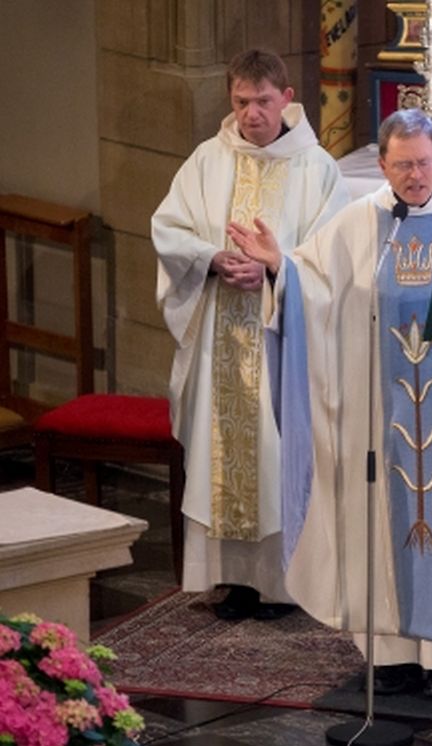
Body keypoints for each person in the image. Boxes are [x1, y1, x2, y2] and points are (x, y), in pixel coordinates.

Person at [227, 108, 432, 697]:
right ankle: (391, 657)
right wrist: (280, 267)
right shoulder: (360, 223)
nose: (416, 176)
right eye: (403, 165)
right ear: (382, 165)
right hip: (376, 417)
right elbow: (313, 288)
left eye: (424, 163)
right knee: (376, 521)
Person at [152, 49, 349, 621]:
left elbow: (334, 258)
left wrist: (274, 269)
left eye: (263, 101)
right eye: (241, 102)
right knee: (223, 455)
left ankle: (283, 584)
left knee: (276, 453)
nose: (251, 114)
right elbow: (168, 228)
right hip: (221, 332)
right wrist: (213, 259)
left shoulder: (317, 169)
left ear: (286, 98)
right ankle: (234, 581)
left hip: (281, 341)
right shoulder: (207, 160)